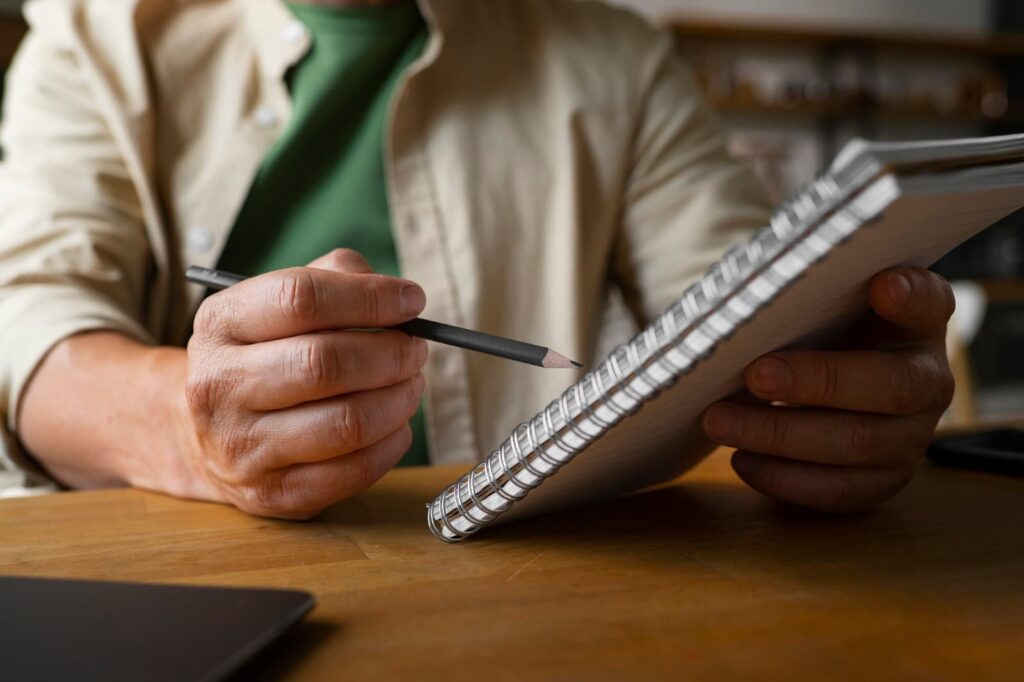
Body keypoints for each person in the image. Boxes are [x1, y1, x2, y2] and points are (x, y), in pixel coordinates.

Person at [0, 0, 954, 518]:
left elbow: (742, 317)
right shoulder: (89, 39)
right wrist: (191, 426)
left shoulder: (613, 53)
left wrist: (836, 373)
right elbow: (28, 332)